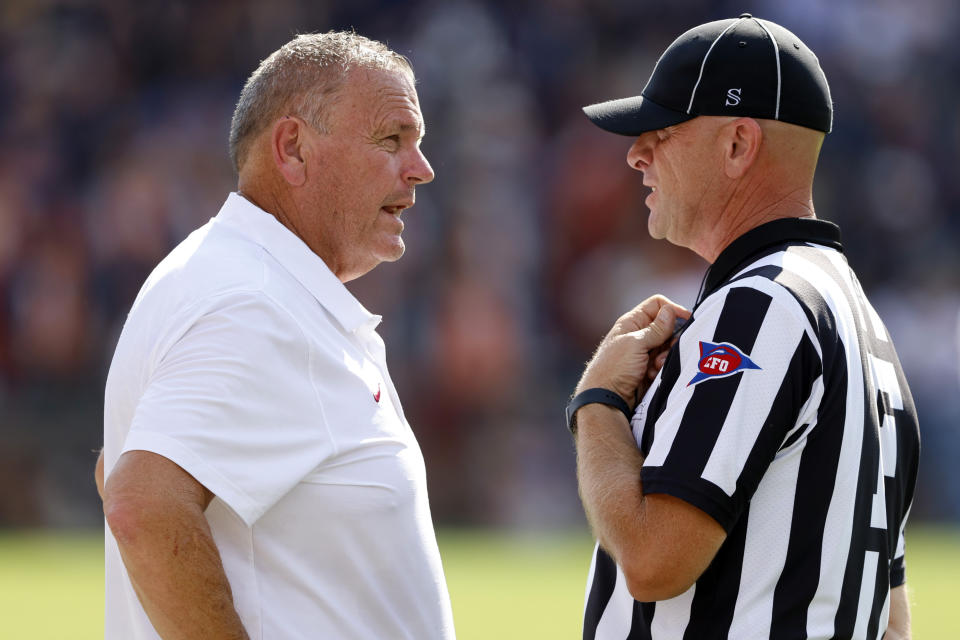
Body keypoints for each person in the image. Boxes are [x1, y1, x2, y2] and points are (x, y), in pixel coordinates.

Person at [94, 31, 455, 639]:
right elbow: (141, 503)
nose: (421, 169)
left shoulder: (237, 280)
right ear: (293, 148)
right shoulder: (252, 301)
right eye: (392, 139)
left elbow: (117, 470)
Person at [568, 15, 919, 640]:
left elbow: (653, 563)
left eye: (663, 132)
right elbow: (889, 618)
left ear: (737, 144)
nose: (636, 153)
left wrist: (597, 405)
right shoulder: (861, 320)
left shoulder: (763, 306)